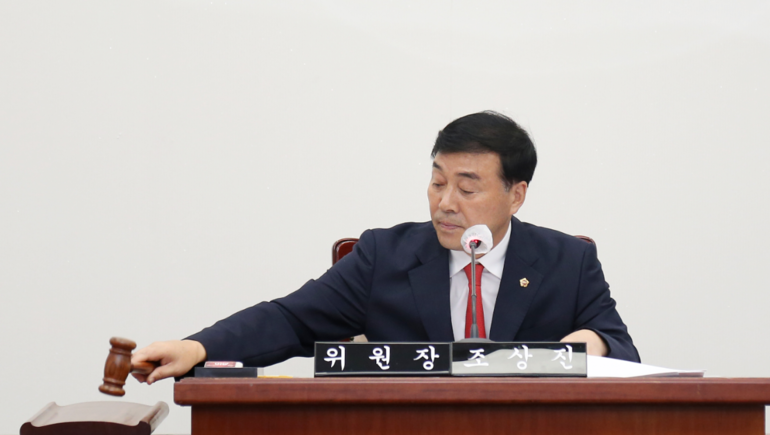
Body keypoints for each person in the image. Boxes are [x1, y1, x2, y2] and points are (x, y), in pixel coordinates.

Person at [132, 111, 640, 383]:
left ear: (516, 195)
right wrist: (197, 347)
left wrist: (590, 345)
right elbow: (292, 319)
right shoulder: (384, 256)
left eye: (466, 189)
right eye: (437, 183)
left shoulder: (567, 262)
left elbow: (622, 350)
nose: (445, 203)